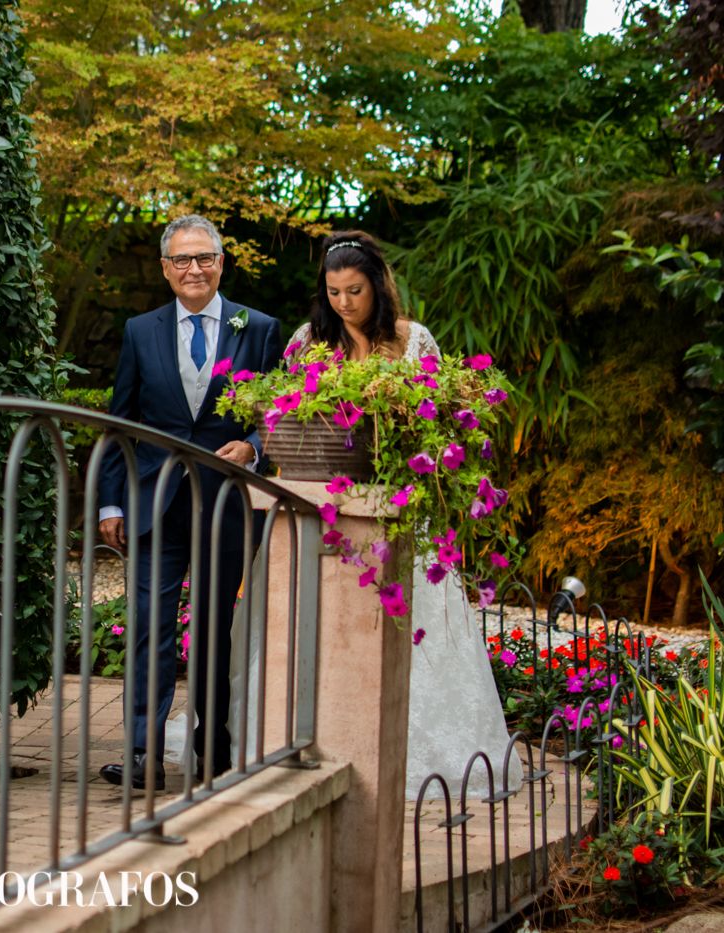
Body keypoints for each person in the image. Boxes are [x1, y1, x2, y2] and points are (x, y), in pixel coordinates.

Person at [280, 229, 524, 799]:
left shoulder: (414, 342)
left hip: (401, 512)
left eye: (355, 291)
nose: (344, 303)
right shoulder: (308, 341)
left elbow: (439, 424)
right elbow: (288, 416)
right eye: (334, 292)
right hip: (334, 511)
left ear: (378, 286)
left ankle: (418, 759)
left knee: (413, 635)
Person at [97, 214, 284, 791]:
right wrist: (110, 504)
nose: (193, 269)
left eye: (204, 258)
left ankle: (215, 752)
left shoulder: (258, 328)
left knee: (214, 629)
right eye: (182, 260)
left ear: (221, 263)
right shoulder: (139, 330)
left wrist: (253, 448)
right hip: (156, 502)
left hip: (226, 503)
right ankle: (140, 752)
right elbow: (119, 424)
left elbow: (280, 413)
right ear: (165, 268)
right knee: (151, 628)